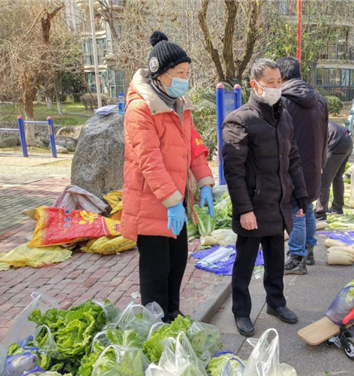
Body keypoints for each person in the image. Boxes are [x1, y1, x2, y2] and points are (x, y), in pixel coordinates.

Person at [122, 31, 215, 323]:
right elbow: (149, 160)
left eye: (187, 72)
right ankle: (155, 325)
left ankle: (172, 316)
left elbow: (194, 146)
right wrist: (173, 201)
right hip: (151, 205)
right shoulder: (141, 109)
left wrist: (205, 183)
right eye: (180, 73)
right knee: (155, 272)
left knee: (176, 265)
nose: (185, 78)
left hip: (174, 202)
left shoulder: (179, 104)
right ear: (159, 74)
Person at [222, 58, 307, 337]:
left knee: (275, 261)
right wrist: (244, 209)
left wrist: (301, 196)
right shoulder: (239, 119)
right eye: (270, 83)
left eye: (278, 81)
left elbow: (293, 159)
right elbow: (233, 171)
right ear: (254, 85)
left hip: (279, 204)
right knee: (244, 264)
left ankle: (276, 303)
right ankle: (241, 312)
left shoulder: (284, 116)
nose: (276, 87)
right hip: (253, 207)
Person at [276, 56, 329, 274]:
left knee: (295, 209)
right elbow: (325, 135)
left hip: (293, 165)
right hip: (314, 164)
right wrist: (322, 162)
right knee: (306, 207)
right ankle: (308, 250)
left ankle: (296, 257)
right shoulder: (319, 99)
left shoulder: (282, 100)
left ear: (282, 76)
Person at [315, 121, 354, 220]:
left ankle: (320, 213)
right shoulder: (316, 120)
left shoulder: (308, 126)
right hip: (347, 140)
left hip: (336, 143)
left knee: (323, 179)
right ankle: (338, 207)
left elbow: (316, 148)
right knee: (337, 176)